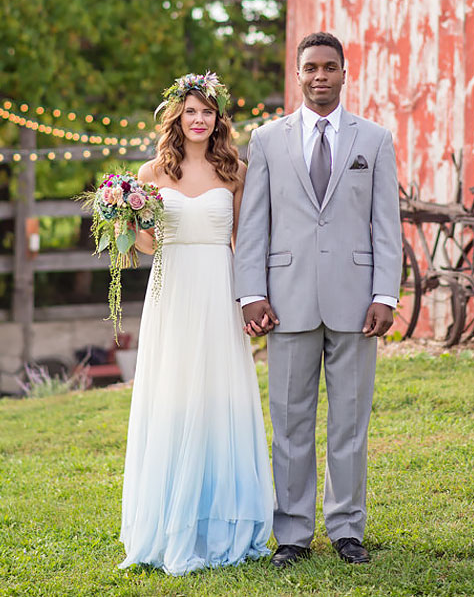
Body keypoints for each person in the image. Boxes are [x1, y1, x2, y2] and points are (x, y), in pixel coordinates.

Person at [233, 32, 402, 567]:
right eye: (311, 68)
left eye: (330, 67)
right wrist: (252, 293)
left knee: (350, 421)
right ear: (298, 74)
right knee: (290, 420)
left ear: (344, 73)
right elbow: (253, 222)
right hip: (286, 300)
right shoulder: (266, 140)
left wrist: (385, 294)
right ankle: (293, 534)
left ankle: (348, 528)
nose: (320, 76)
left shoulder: (373, 140)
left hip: (357, 303)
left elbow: (386, 226)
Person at [119, 72, 274, 576]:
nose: (199, 120)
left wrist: (252, 297)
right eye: (191, 111)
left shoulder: (235, 171)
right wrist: (126, 218)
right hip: (171, 290)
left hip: (216, 286)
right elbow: (145, 246)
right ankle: (170, 521)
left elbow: (244, 242)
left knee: (218, 395)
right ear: (177, 117)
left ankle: (220, 521)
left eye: (207, 112)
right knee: (174, 393)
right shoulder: (149, 174)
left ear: (219, 118)